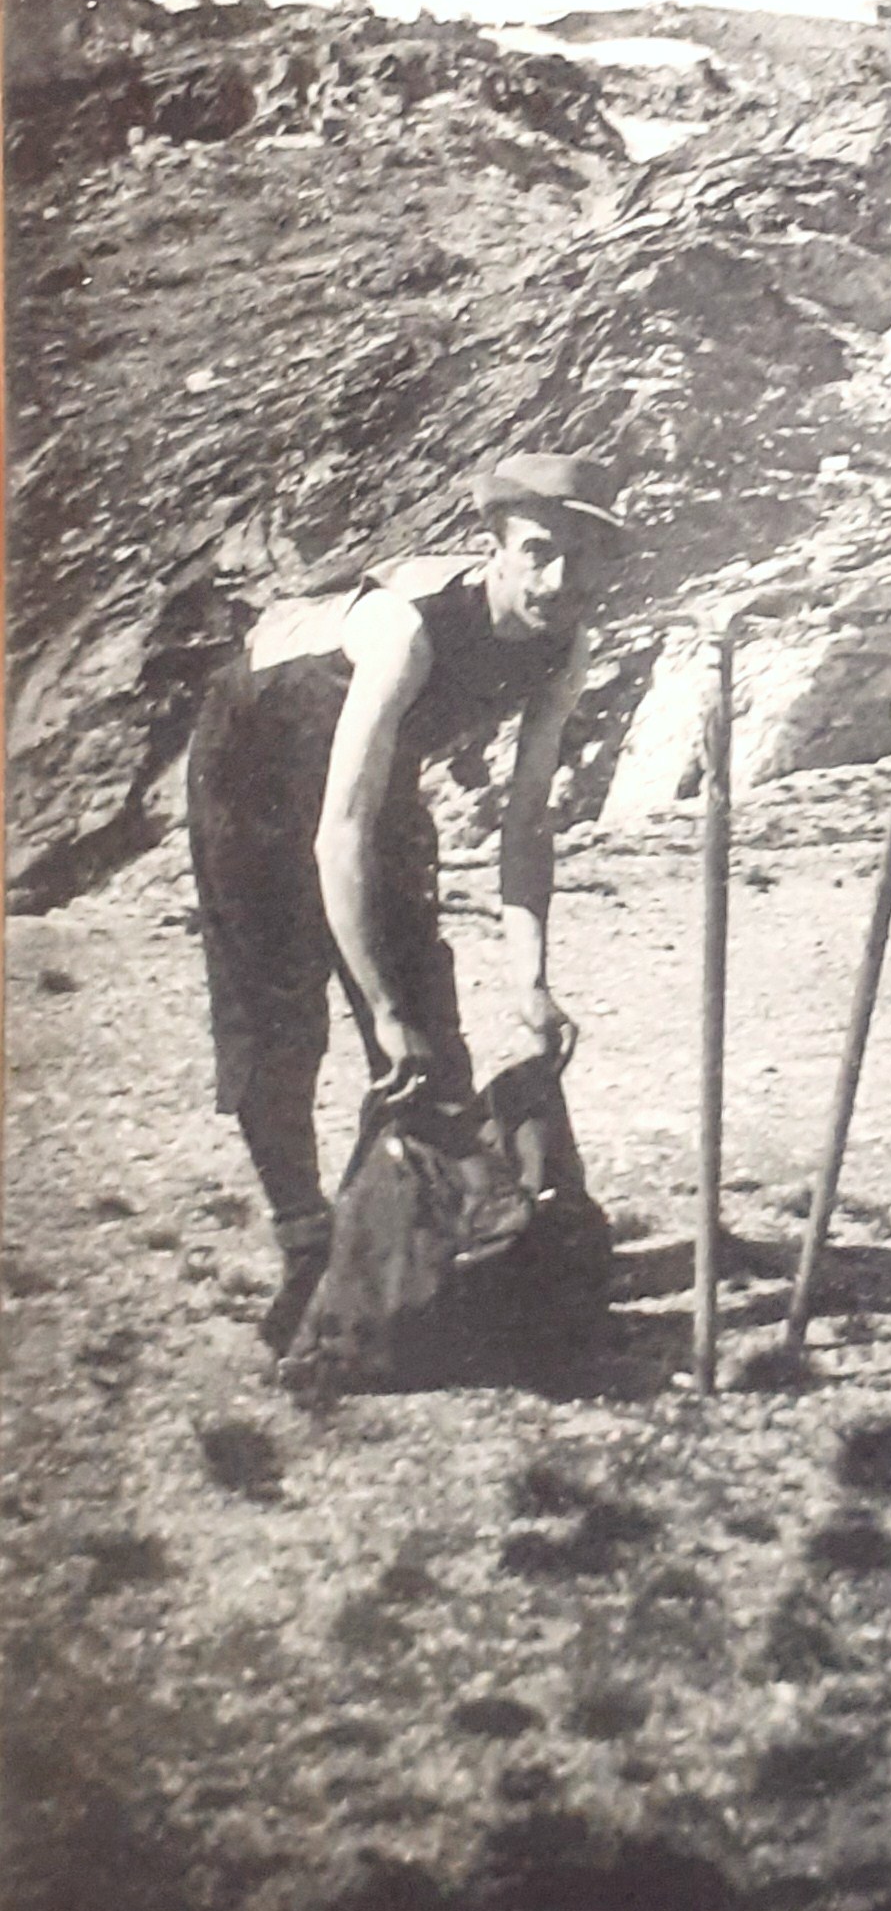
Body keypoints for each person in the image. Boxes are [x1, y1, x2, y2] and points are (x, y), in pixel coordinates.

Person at [186, 451, 622, 1352]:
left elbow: (527, 824)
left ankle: (397, 1255)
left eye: (582, 560)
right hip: (254, 772)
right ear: (493, 548)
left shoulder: (565, 646)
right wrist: (378, 1008)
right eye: (539, 552)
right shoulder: (406, 632)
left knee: (431, 1026)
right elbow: (334, 834)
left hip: (369, 781)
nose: (559, 580)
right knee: (281, 1021)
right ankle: (307, 1240)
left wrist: (530, 979)